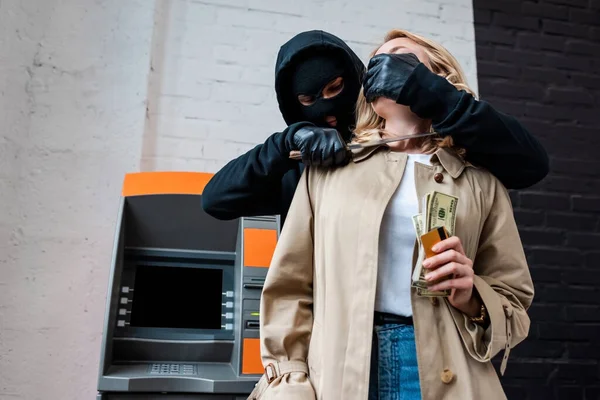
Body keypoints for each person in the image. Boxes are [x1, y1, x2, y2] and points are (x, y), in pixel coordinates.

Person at [248, 29, 534, 400]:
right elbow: (289, 288)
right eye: (377, 63)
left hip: (449, 368)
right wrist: (288, 382)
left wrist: (471, 294)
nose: (385, 68)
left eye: (401, 57)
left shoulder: (480, 180)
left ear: (438, 75)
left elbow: (512, 295)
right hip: (340, 371)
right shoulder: (330, 169)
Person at [201, 29, 548, 227]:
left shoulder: (449, 152)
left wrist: (434, 96)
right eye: (309, 101)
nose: (328, 107)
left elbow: (529, 165)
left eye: (336, 89)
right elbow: (217, 199)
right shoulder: (306, 168)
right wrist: (286, 143)